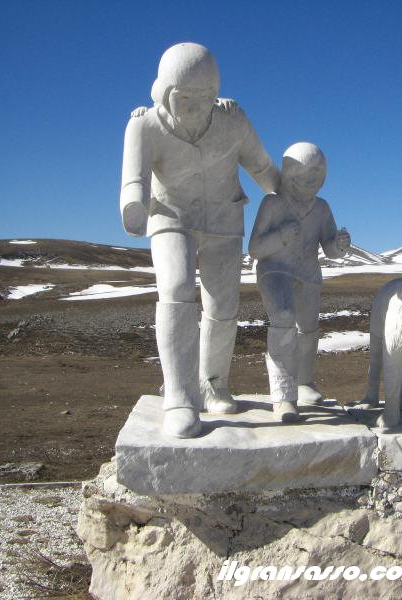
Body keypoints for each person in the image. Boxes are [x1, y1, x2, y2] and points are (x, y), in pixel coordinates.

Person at [120, 42, 279, 438]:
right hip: (171, 216)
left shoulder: (233, 119)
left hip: (224, 217)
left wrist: (287, 196)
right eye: (184, 98)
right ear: (165, 93)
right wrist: (133, 207)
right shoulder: (144, 125)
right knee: (174, 289)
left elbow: (261, 165)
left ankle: (213, 383)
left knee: (223, 305)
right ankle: (179, 396)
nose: (193, 107)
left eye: (203, 98)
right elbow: (133, 180)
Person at [248, 142, 351, 421]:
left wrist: (339, 245)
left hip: (308, 274)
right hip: (275, 270)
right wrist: (280, 236)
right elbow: (254, 249)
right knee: (283, 317)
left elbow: (328, 248)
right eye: (306, 177)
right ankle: (284, 396)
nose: (312, 183)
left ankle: (305, 382)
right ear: (290, 175)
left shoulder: (322, 208)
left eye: (317, 178)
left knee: (308, 329)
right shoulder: (273, 203)